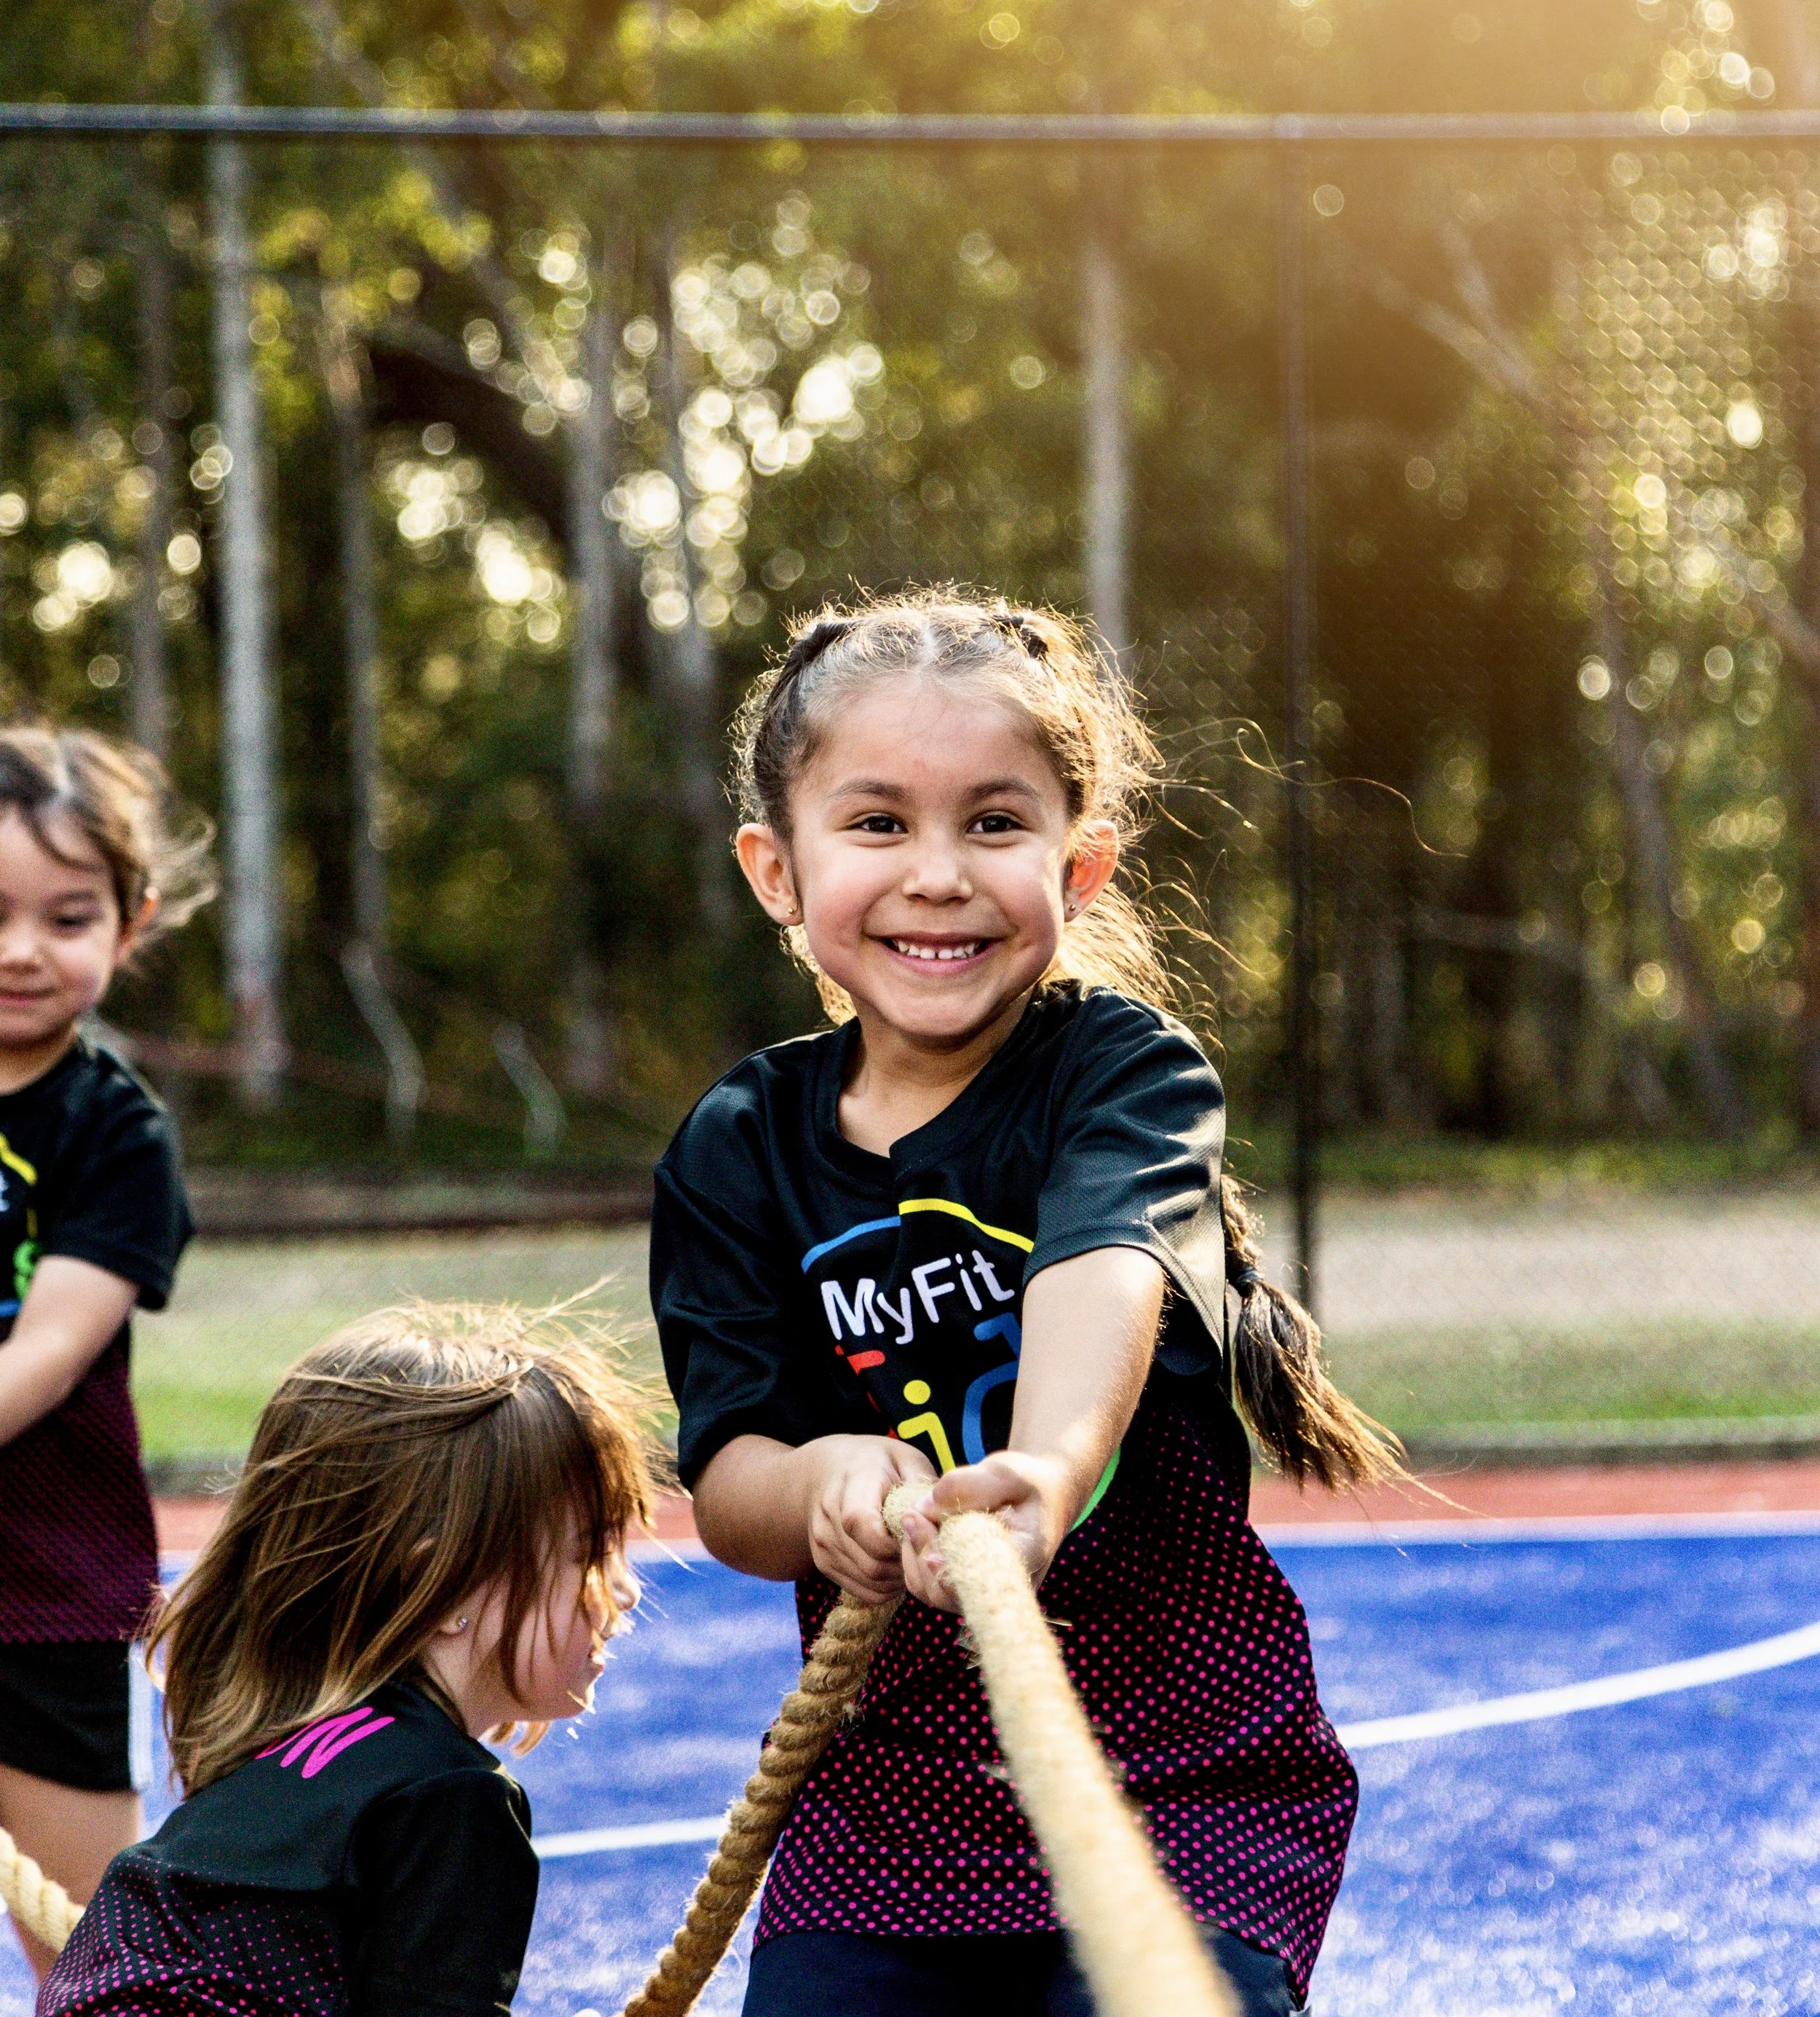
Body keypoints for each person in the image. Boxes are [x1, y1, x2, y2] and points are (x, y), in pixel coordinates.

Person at [651, 593, 1403, 2017]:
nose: (937, 875)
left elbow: (1100, 1268)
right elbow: (730, 1474)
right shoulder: (734, 1147)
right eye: (876, 825)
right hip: (883, 1796)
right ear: (775, 869)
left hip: (1178, 1763)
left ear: (1084, 861)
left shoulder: (1120, 1073)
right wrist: (821, 1487)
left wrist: (1043, 1477)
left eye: (992, 824)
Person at [40, 1303, 656, 2017]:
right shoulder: (449, 1797)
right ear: (445, 1588)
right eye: (586, 1554)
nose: (624, 1587)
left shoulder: (274, 1757)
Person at [0, 727, 213, 1981]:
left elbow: (44, 1355)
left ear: (128, 927)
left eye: (68, 916)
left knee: (83, 1954)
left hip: (43, 1591)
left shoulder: (113, 1131)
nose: (24, 948)